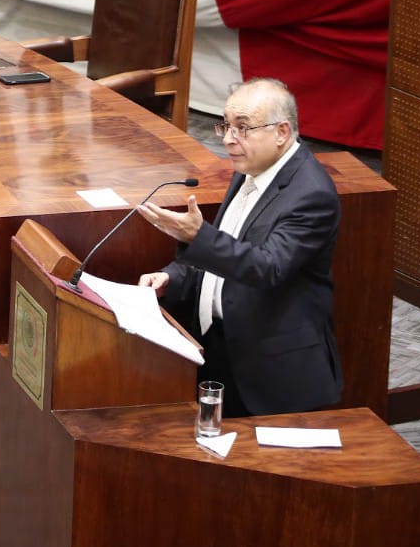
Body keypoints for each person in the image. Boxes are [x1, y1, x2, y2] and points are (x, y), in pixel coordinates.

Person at [136, 77, 341, 417]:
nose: (229, 139)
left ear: (281, 132)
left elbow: (268, 267)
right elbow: (227, 250)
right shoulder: (251, 168)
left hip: (271, 370)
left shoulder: (311, 194)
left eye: (242, 128)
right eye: (226, 126)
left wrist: (197, 237)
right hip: (219, 345)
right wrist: (174, 277)